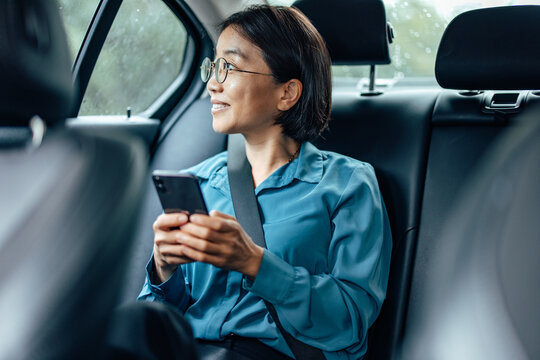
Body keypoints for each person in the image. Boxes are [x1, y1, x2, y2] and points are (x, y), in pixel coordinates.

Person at [130, 5, 391, 360]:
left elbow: (350, 321)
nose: (212, 83)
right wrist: (164, 269)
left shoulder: (348, 185)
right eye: (213, 65)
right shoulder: (199, 181)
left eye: (230, 67)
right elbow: (156, 320)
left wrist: (255, 263)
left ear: (287, 93)